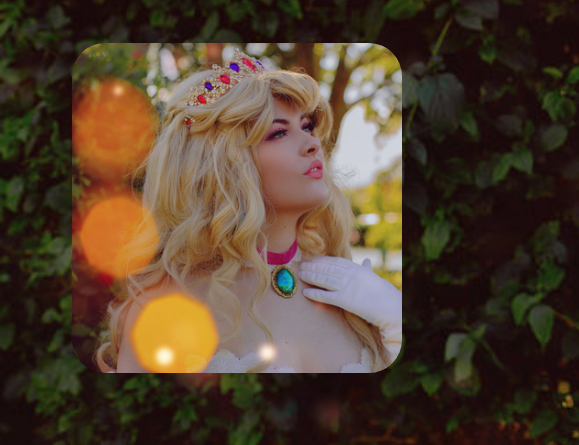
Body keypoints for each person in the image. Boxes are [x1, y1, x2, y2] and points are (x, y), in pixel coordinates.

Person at [94, 54, 402, 373]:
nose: (312, 143)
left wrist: (397, 329)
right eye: (278, 133)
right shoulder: (163, 309)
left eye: (307, 126)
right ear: (224, 165)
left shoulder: (348, 287)